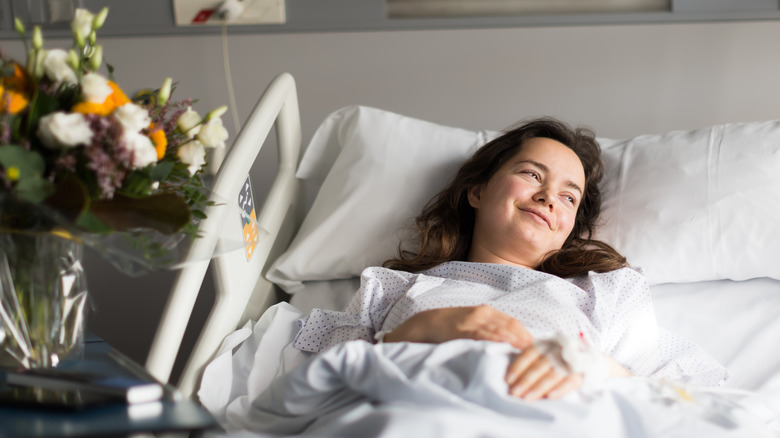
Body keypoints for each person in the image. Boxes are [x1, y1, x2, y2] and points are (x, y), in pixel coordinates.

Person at [292, 117, 725, 401]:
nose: (548, 197)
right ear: (477, 192)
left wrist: (600, 369)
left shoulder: (601, 295)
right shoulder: (391, 288)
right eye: (531, 174)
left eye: (568, 196)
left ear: (570, 226)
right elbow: (320, 387)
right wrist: (414, 332)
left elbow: (682, 399)